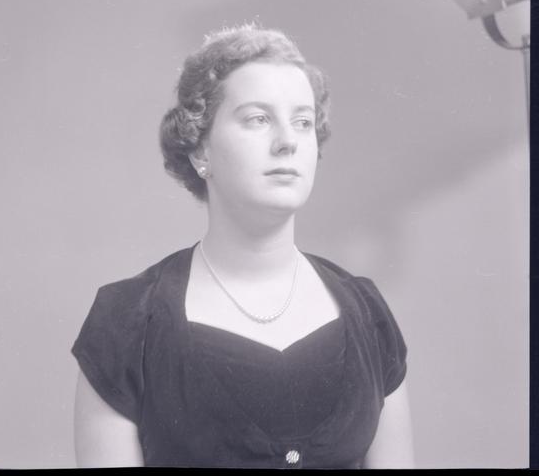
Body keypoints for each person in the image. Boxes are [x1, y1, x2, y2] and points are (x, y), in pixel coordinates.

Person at [71, 25, 415, 469]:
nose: (287, 141)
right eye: (258, 119)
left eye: (303, 122)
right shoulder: (127, 322)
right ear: (200, 150)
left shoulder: (367, 312)